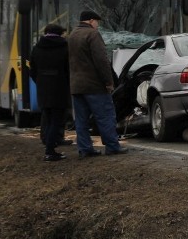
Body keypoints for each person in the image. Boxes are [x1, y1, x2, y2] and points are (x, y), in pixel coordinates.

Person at [68, 10, 127, 158]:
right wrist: (108, 82)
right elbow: (101, 61)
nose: (97, 25)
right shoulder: (92, 35)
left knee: (81, 120)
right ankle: (112, 146)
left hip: (76, 86)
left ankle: (85, 149)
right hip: (94, 86)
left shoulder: (72, 35)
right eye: (97, 22)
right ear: (91, 21)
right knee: (106, 116)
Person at [29, 23, 71, 162]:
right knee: (56, 121)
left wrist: (41, 82)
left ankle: (48, 146)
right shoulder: (64, 48)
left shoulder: (37, 48)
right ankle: (50, 151)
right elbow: (68, 70)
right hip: (60, 88)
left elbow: (32, 71)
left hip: (43, 89)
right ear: (60, 34)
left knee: (47, 119)